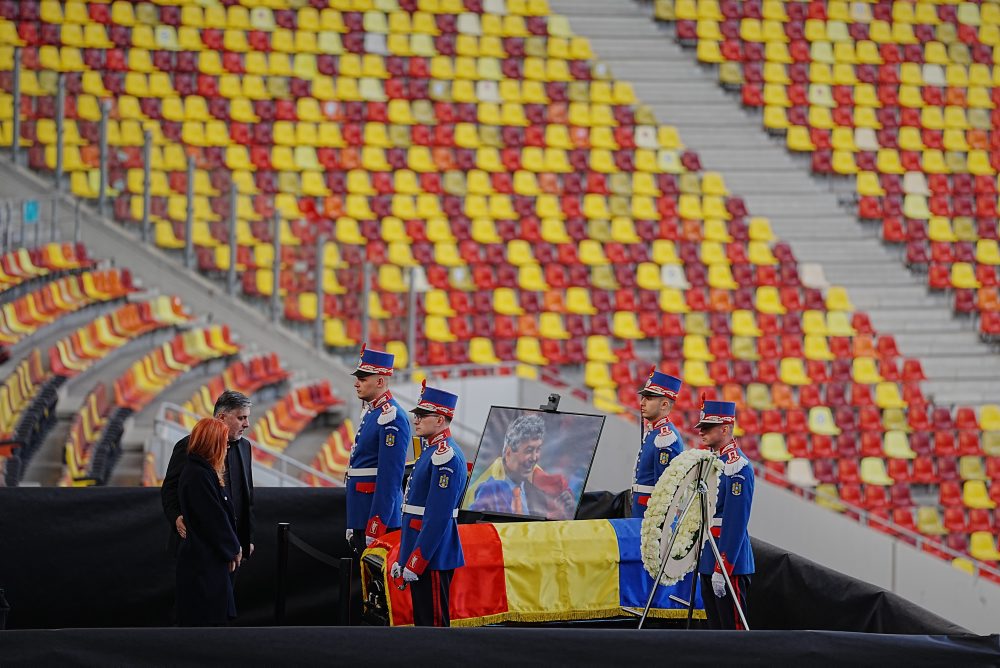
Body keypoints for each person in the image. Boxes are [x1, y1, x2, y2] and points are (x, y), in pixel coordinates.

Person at [392, 382, 467, 627]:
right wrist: (405, 558)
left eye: (423, 415)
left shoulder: (446, 455)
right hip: (419, 548)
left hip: (432, 554)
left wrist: (417, 560)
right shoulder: (431, 450)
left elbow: (437, 517)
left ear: (441, 419)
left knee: (433, 625)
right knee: (423, 622)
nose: (416, 419)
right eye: (417, 414)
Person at [162, 390, 255, 563]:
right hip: (198, 545)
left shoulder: (245, 447)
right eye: (241, 418)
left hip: (234, 546)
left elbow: (247, 496)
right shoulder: (189, 446)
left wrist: (247, 537)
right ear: (221, 418)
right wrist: (176, 517)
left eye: (247, 418)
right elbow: (170, 489)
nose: (247, 424)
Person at [175, 417, 242, 626]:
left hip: (209, 561)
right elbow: (213, 519)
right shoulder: (198, 475)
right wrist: (232, 549)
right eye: (224, 442)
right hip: (203, 565)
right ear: (212, 443)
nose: (227, 447)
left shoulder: (203, 472)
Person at [695, 399, 754, 630]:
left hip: (727, 560)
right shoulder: (712, 462)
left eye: (707, 426)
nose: (701, 431)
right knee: (716, 632)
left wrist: (723, 567)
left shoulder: (736, 466)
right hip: (710, 558)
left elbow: (735, 522)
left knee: (733, 632)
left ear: (725, 428)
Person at [346, 344, 411, 554]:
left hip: (378, 519)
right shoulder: (374, 413)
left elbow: (390, 477)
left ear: (380, 381)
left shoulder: (391, 417)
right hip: (362, 513)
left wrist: (377, 523)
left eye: (363, 379)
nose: (356, 384)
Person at [466, 414, 575, 519]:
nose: (534, 457)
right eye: (529, 450)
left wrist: (562, 516)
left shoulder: (537, 495)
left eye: (538, 450)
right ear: (508, 453)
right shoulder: (490, 490)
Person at [631, 369, 686, 517]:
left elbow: (664, 489)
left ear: (664, 405)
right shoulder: (655, 431)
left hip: (650, 514)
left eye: (648, 399)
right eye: (643, 398)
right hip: (641, 508)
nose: (642, 403)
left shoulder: (665, 438)